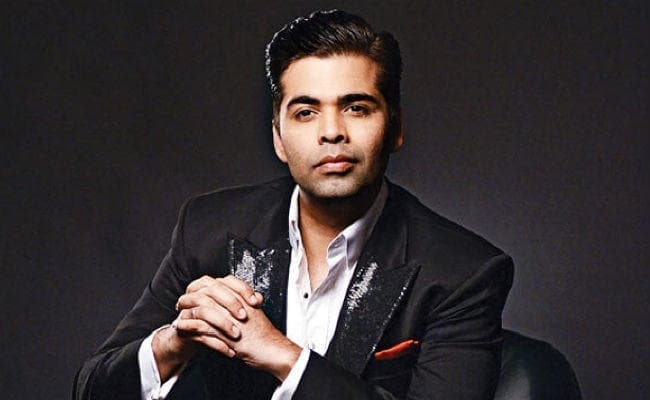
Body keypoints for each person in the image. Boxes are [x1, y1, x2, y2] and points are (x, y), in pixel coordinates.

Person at [73, 10, 513, 400]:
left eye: (356, 108)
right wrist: (173, 343)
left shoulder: (464, 271)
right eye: (306, 112)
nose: (331, 131)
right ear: (279, 138)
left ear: (395, 128)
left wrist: (285, 357)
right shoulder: (208, 228)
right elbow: (91, 387)